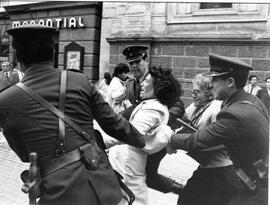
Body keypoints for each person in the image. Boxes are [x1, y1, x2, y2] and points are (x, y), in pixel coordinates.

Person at [3, 23, 145, 205]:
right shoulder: (80, 81)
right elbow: (114, 125)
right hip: (104, 186)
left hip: (59, 194)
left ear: (18, 58)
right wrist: (143, 141)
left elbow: (24, 154)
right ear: (53, 53)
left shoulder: (6, 100)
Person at [168, 53, 268, 205]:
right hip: (250, 179)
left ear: (230, 82)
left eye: (215, 79)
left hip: (246, 188)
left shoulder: (234, 114)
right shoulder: (250, 101)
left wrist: (168, 138)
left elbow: (197, 141)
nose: (211, 84)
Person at [108, 66, 182, 205]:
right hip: (125, 163)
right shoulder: (151, 104)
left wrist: (102, 140)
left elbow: (131, 133)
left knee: (132, 199)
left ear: (157, 87)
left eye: (147, 81)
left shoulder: (154, 108)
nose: (142, 84)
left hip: (129, 165)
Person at [122, 45, 185, 194]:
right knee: (137, 175)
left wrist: (157, 121)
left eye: (137, 62)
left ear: (146, 60)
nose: (134, 66)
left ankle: (182, 190)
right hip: (140, 135)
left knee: (146, 176)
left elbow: (179, 106)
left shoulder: (158, 79)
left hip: (156, 137)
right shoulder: (130, 84)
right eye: (131, 63)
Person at [179, 73, 233, 205]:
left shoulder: (216, 109)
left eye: (196, 92)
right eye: (192, 91)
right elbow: (181, 117)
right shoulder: (198, 105)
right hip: (206, 166)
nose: (193, 95)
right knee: (185, 200)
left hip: (220, 171)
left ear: (209, 94)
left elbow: (223, 140)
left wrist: (196, 141)